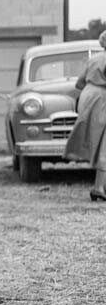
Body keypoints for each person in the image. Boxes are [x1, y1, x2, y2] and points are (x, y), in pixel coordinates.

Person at [64, 31, 106, 201]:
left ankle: (100, 186)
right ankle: (99, 188)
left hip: (88, 96)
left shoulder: (94, 58)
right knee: (104, 143)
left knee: (100, 141)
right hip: (101, 98)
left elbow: (79, 83)